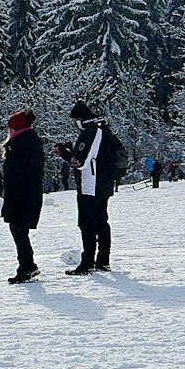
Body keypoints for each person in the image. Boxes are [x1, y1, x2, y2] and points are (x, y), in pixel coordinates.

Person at [58, 100, 121, 274]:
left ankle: (88, 264)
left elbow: (80, 162)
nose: (73, 124)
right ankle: (103, 261)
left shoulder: (91, 132)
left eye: (73, 121)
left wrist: (64, 153)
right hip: (104, 184)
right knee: (101, 222)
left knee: (87, 223)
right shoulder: (102, 130)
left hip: (91, 186)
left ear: (80, 119)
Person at [0, 111, 45, 283]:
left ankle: (27, 267)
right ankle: (27, 266)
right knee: (19, 230)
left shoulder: (18, 147)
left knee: (18, 230)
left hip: (21, 196)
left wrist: (10, 201)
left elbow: (14, 176)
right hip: (30, 194)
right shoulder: (30, 144)